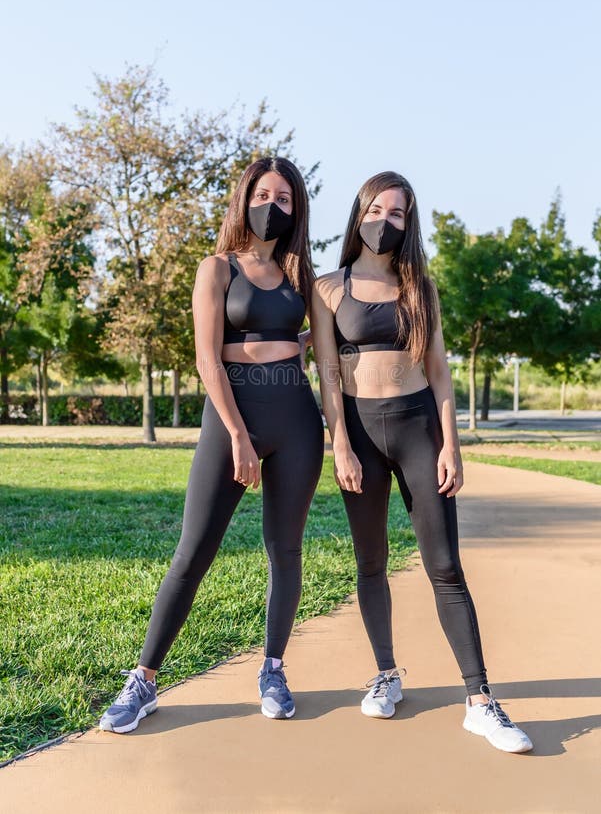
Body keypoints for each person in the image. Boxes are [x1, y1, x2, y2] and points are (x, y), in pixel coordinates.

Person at [311, 171, 533, 754]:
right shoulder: (328, 287)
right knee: (371, 562)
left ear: (409, 225)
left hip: (418, 431)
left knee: (444, 564)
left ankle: (480, 700)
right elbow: (329, 372)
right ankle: (386, 675)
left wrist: (451, 444)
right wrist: (339, 441)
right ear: (359, 214)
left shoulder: (420, 287)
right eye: (377, 209)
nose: (386, 221)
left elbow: (438, 371)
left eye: (399, 214)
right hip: (359, 433)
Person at [100, 157, 324, 732]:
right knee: (193, 552)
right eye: (263, 194)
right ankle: (143, 680)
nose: (272, 206)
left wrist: (304, 344)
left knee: (286, 550)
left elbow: (311, 339)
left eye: (285, 199)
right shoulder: (217, 268)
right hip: (233, 418)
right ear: (244, 197)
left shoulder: (302, 276)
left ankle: (273, 668)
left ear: (296, 210)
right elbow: (207, 357)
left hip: (297, 416)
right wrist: (238, 436)